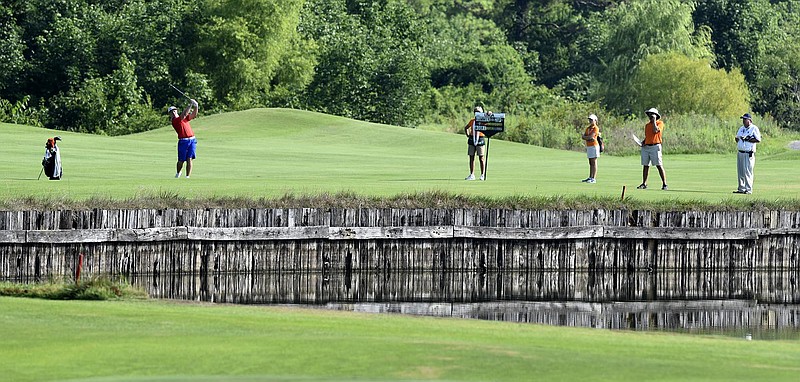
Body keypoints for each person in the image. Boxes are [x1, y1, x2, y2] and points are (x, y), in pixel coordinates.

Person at [637, 107, 668, 190]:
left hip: (655, 146)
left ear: (656, 116)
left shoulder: (659, 123)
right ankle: (644, 183)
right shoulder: (647, 125)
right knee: (645, 165)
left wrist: (654, 121)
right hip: (647, 147)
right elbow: (648, 136)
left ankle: (664, 184)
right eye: (649, 115)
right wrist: (644, 142)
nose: (650, 117)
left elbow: (655, 131)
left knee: (659, 165)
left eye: (652, 115)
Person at [168, 98, 199, 178]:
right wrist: (190, 105)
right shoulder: (175, 121)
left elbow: (193, 115)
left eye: (174, 110)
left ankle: (187, 177)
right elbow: (184, 114)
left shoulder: (184, 119)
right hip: (183, 142)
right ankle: (178, 173)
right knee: (181, 160)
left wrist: (196, 106)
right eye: (172, 112)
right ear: (170, 114)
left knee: (189, 158)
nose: (174, 112)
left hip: (192, 140)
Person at [734, 113, 762, 194]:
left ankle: (748, 189)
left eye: (745, 119)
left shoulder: (754, 128)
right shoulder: (741, 128)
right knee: (741, 171)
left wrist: (748, 139)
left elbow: (758, 139)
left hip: (748, 152)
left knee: (747, 171)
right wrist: (737, 139)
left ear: (749, 120)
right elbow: (738, 137)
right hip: (740, 152)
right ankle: (741, 188)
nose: (743, 121)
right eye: (743, 119)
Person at [464, 106, 487, 181]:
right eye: (476, 112)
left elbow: (490, 122)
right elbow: (466, 127)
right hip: (472, 139)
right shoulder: (472, 121)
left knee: (481, 158)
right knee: (471, 157)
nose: (477, 113)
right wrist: (468, 135)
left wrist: (489, 114)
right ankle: (472, 174)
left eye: (479, 112)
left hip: (480, 139)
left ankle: (482, 174)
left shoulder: (483, 121)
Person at [581, 114, 600, 183]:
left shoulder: (596, 128)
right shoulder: (588, 128)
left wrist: (587, 137)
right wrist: (587, 137)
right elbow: (584, 136)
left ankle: (593, 178)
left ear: (595, 120)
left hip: (594, 146)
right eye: (589, 120)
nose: (590, 121)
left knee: (594, 162)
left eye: (591, 120)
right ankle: (590, 177)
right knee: (590, 162)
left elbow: (590, 137)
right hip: (589, 146)